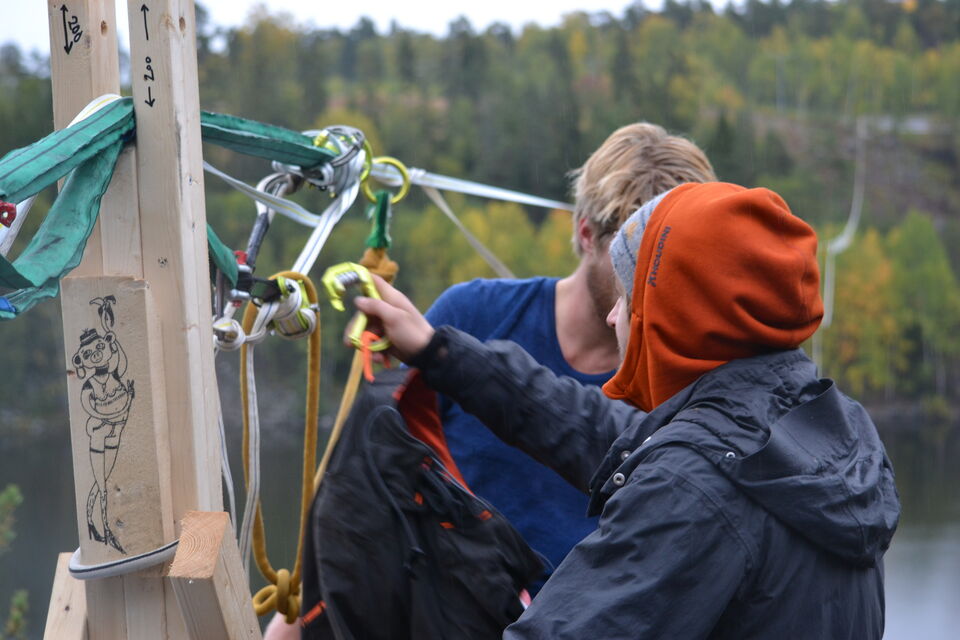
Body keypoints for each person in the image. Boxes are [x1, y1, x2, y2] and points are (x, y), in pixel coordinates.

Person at [355, 181, 901, 638]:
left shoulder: (693, 488)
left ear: (682, 319)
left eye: (629, 299)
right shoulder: (823, 428)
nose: (614, 318)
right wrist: (437, 351)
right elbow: (598, 431)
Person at [423, 123, 716, 589]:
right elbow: (373, 473)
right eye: (632, 263)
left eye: (672, 268)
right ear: (586, 233)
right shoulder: (471, 318)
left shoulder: (690, 388)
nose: (650, 289)